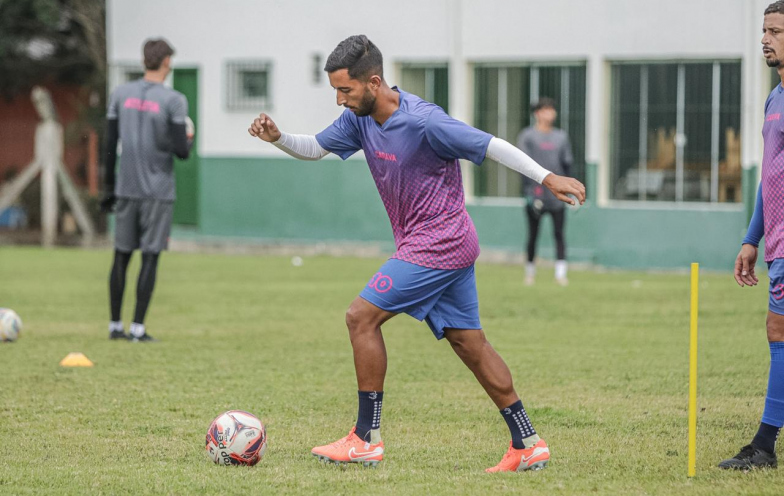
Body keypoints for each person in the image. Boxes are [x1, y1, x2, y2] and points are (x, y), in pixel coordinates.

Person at [248, 35, 585, 472]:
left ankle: (365, 437)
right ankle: (528, 442)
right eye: (334, 90)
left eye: (345, 89)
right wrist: (277, 138)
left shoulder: (426, 121)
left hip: (439, 242)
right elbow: (313, 148)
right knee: (471, 344)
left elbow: (490, 145)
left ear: (373, 82)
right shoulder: (358, 119)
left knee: (360, 317)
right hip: (443, 244)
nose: (339, 100)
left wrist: (547, 177)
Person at [722, 1, 784, 470]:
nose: (766, 38)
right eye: (765, 30)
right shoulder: (774, 97)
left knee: (779, 331)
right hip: (777, 241)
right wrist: (751, 238)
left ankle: (764, 445)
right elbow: (770, 176)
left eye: (777, 31)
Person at [101, 38, 193, 342]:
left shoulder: (119, 94)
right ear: (166, 62)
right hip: (157, 192)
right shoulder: (174, 101)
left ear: (144, 61)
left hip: (126, 188)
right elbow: (181, 151)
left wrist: (107, 187)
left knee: (121, 257)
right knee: (150, 257)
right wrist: (188, 137)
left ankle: (115, 326)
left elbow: (109, 144)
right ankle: (138, 329)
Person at [516, 98, 574, 287]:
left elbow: (567, 165)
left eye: (552, 110)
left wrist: (569, 189)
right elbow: (522, 165)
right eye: (546, 110)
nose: (551, 114)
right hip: (536, 196)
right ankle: (530, 273)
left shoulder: (561, 137)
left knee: (559, 234)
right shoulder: (527, 136)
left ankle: (560, 274)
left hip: (557, 197)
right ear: (537, 113)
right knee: (533, 235)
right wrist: (529, 193)